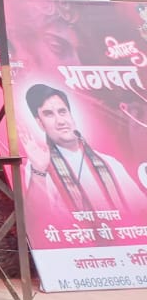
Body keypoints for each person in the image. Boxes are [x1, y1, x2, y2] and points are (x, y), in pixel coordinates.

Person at [22, 83, 143, 217]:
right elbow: (38, 218)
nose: (60, 121)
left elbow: (141, 209)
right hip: (73, 235)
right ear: (40, 123)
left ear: (71, 115)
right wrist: (38, 170)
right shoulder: (39, 167)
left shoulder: (110, 163)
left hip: (124, 234)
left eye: (62, 112)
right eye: (49, 114)